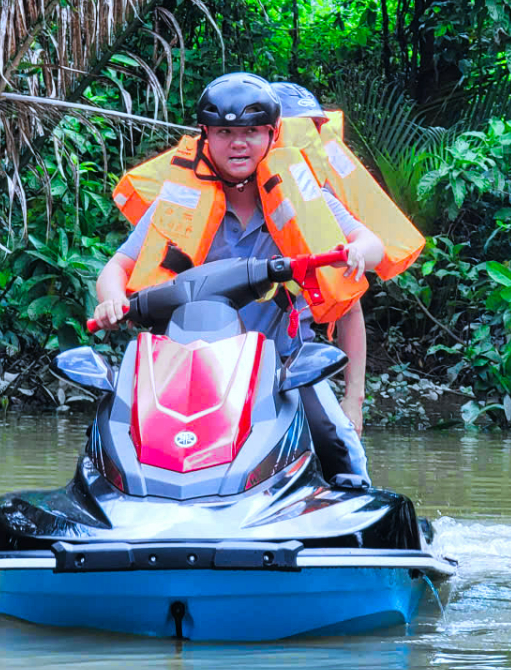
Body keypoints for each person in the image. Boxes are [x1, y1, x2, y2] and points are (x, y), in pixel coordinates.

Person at [93, 72, 383, 483]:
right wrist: (111, 300)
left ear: (272, 135)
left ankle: (359, 508)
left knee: (340, 445)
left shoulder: (307, 200)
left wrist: (355, 251)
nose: (238, 142)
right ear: (205, 136)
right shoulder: (179, 201)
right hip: (187, 370)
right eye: (225, 131)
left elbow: (373, 246)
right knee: (113, 440)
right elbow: (116, 268)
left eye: (250, 131)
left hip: (282, 369)